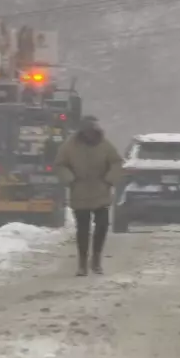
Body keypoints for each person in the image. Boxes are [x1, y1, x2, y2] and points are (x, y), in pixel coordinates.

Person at [54, 116, 124, 276]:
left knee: (102, 226)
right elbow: (60, 164)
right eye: (86, 131)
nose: (89, 135)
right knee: (83, 230)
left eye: (92, 131)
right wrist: (69, 179)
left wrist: (109, 180)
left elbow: (116, 162)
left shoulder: (105, 145)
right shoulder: (70, 146)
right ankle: (82, 263)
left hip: (101, 191)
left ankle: (97, 259)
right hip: (80, 192)